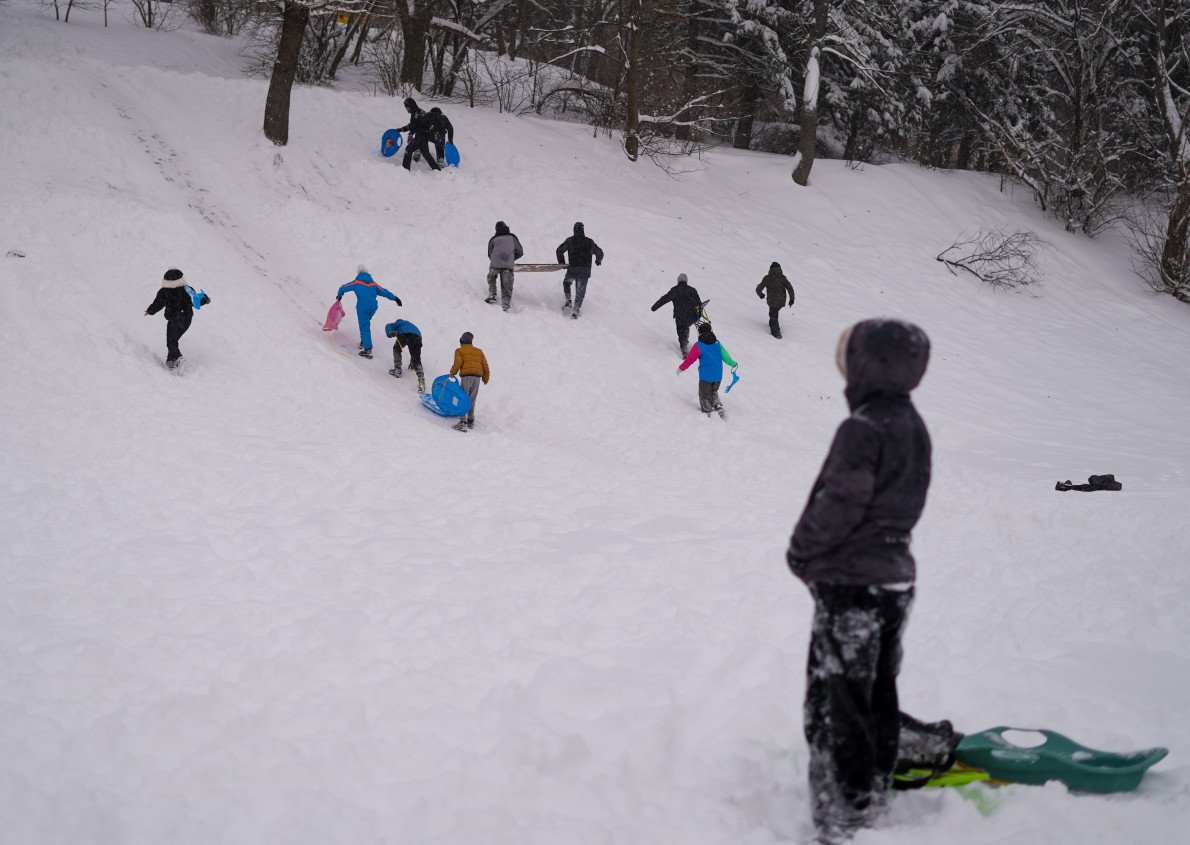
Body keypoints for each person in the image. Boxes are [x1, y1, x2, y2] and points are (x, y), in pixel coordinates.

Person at [785, 319, 932, 844]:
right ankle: (871, 791)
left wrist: (801, 551)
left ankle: (843, 816)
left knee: (836, 700)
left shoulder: (864, 427)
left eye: (848, 358)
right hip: (894, 581)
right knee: (877, 691)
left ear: (870, 366)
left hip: (853, 586)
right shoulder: (911, 423)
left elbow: (840, 502)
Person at [336, 265, 402, 358]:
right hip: (373, 306)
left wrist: (339, 295)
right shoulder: (373, 284)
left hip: (363, 306)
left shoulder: (356, 282)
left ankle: (368, 350)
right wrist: (395, 298)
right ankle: (364, 340)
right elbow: (384, 292)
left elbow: (343, 287)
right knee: (366, 323)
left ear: (358, 273)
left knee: (364, 326)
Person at [676, 323, 737, 419]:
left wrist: (681, 368)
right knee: (713, 391)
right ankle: (717, 405)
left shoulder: (698, 346)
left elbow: (689, 360)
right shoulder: (717, 343)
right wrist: (733, 363)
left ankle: (708, 411)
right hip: (717, 376)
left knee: (704, 395)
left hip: (705, 377)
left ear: (699, 333)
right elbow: (726, 357)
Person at [144, 267, 193, 369]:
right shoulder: (187, 289)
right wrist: (205, 299)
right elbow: (197, 299)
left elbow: (158, 304)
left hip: (175, 319)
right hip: (187, 318)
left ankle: (179, 358)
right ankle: (170, 360)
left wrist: (150, 311)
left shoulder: (164, 291)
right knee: (173, 339)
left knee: (171, 341)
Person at [555, 221, 604, 320]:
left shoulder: (570, 240)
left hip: (573, 269)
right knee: (580, 291)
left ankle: (568, 301)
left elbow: (559, 250)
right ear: (583, 230)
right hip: (584, 270)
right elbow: (600, 252)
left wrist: (562, 263)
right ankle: (576, 310)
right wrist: (598, 260)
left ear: (574, 230)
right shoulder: (590, 242)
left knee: (567, 283)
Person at [650, 273, 703, 356]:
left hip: (680, 315)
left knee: (681, 330)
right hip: (691, 316)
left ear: (678, 280)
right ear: (686, 281)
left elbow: (664, 299)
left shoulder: (675, 290)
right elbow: (698, 304)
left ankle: (685, 349)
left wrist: (654, 307)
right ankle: (685, 343)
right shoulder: (692, 290)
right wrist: (699, 315)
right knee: (685, 327)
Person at [448, 331, 490, 431]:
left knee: (463, 398)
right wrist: (486, 378)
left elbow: (458, 362)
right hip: (477, 378)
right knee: (472, 399)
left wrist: (452, 373)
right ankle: (470, 420)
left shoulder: (459, 350)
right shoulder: (479, 351)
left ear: (461, 341)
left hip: (466, 377)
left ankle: (463, 422)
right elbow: (485, 365)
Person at [395, 97, 440, 172]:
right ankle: (437, 170)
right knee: (425, 153)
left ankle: (405, 170)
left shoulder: (418, 113)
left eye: (407, 107)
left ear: (411, 106)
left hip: (421, 135)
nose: (406, 109)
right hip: (423, 135)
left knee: (408, 150)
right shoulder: (416, 113)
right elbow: (413, 125)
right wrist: (402, 129)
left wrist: (403, 129)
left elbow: (414, 125)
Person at [486, 221, 523, 312]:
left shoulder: (493, 239)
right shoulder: (512, 238)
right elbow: (520, 252)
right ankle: (505, 305)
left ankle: (492, 294)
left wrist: (496, 260)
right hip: (508, 266)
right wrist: (510, 259)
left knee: (491, 277)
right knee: (507, 284)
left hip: (495, 264)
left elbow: (489, 253)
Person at [756, 261, 796, 339]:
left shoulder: (767, 278)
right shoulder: (782, 278)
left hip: (772, 301)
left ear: (770, 269)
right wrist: (792, 299)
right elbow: (790, 288)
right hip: (781, 301)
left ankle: (776, 333)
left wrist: (761, 294)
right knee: (774, 313)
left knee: (773, 314)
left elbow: (758, 288)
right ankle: (772, 324)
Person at [385, 318, 425, 393]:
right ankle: (421, 379)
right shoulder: (412, 326)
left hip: (404, 334)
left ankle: (397, 369)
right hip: (417, 336)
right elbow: (416, 350)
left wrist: (390, 333)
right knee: (416, 356)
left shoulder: (397, 323)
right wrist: (413, 362)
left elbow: (388, 326)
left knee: (396, 349)